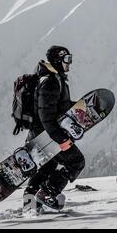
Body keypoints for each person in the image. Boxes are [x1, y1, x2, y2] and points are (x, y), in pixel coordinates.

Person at [23, 45, 85, 211]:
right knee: (76, 161)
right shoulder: (50, 82)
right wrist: (62, 140)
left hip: (39, 134)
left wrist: (77, 107)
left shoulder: (53, 79)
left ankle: (30, 205)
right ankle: (48, 192)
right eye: (67, 59)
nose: (69, 63)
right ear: (58, 59)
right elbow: (46, 116)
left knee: (47, 166)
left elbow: (57, 107)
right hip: (47, 135)